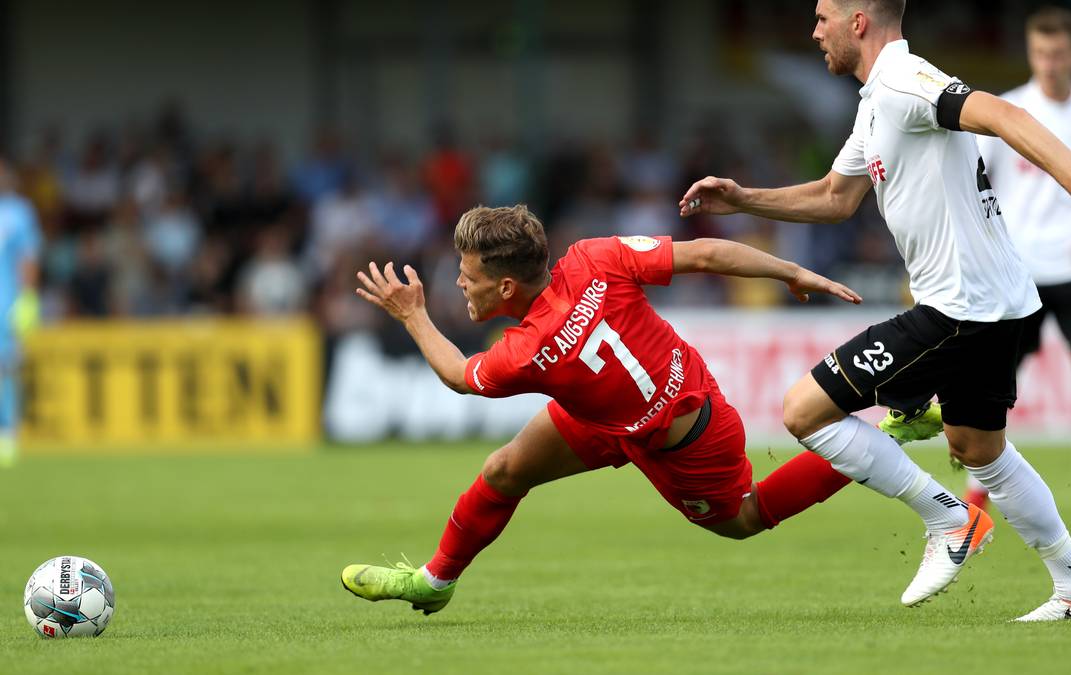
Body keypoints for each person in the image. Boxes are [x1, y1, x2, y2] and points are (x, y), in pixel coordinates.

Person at [678, 0, 1071, 621]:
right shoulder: (876, 101)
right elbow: (833, 196)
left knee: (804, 410)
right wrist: (744, 201)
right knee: (980, 448)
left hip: (961, 307)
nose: (813, 29)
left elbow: (1002, 113)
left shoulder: (906, 80)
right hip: (991, 302)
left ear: (858, 22)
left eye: (822, 16)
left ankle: (948, 518)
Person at [341, 204, 861, 614]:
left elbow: (458, 376)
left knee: (744, 519)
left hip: (686, 434)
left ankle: (881, 431)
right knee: (503, 470)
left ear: (505, 287)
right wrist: (791, 271)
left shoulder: (525, 354)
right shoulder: (594, 256)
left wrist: (412, 315)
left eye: (466, 274)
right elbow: (703, 253)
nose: (459, 282)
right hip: (606, 415)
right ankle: (434, 582)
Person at [964, 7, 1071, 537]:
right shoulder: (1007, 111)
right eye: (1041, 53)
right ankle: (976, 490)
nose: (1050, 63)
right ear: (1031, 54)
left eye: (1059, 54)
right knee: (995, 384)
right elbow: (973, 181)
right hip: (1019, 270)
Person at [0, 159, 42, 468]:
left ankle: (8, 434)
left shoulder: (18, 212)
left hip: (5, 301)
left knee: (5, 368)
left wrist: (27, 297)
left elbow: (27, 256)